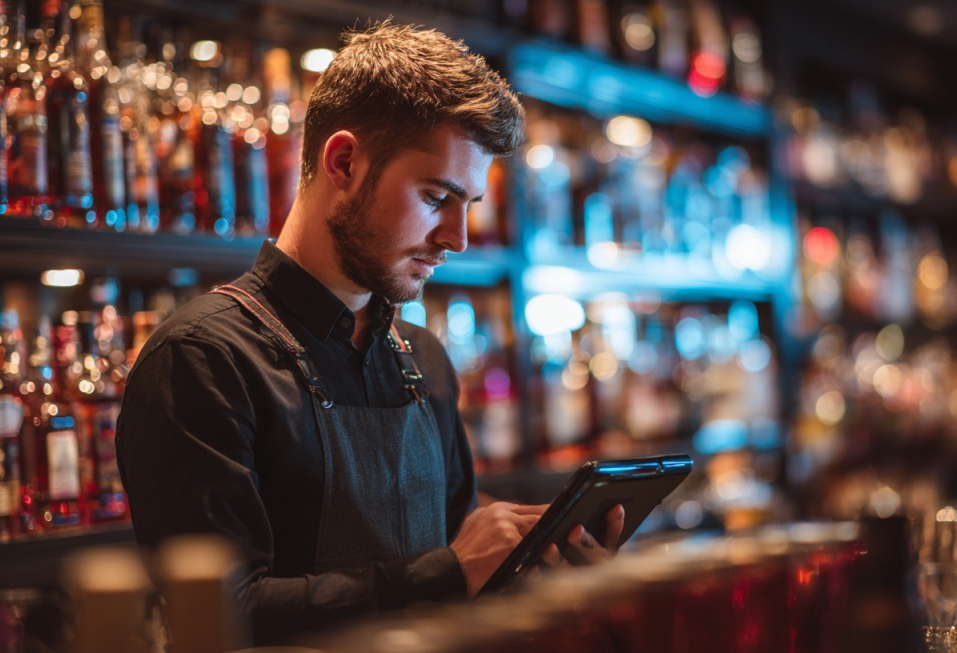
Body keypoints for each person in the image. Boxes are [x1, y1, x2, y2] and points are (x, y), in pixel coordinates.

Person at [115, 21, 623, 645]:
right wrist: (445, 574)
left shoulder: (423, 359)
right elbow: (219, 616)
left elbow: (461, 563)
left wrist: (530, 565)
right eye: (438, 197)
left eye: (470, 207)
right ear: (345, 162)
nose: (456, 240)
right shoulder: (203, 360)